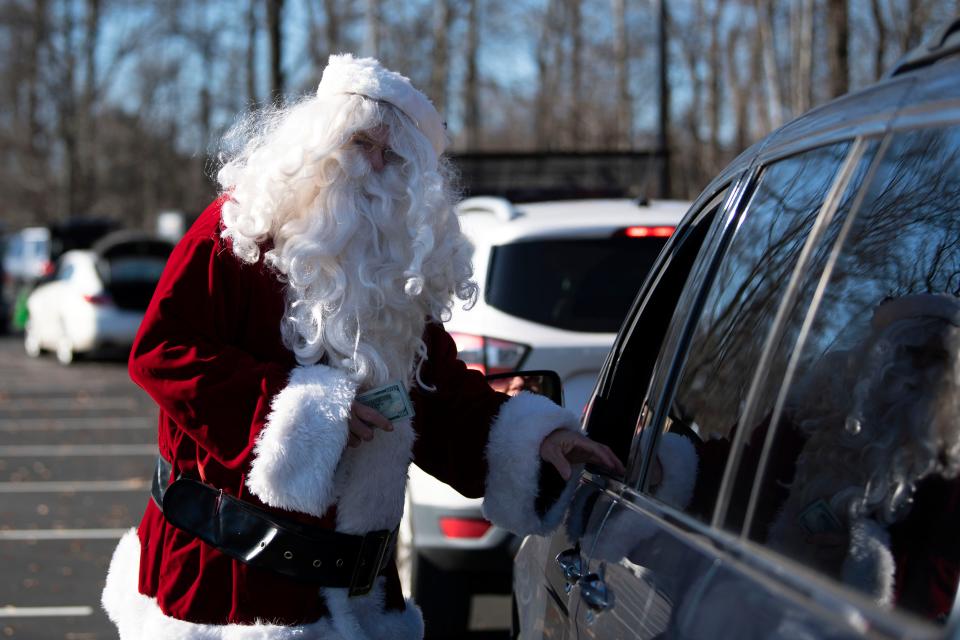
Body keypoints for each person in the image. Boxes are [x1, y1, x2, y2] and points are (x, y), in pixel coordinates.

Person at [100, 53, 623, 639]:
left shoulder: (396, 276)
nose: (373, 167)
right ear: (315, 146)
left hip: (356, 600)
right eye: (358, 144)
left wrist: (534, 438)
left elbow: (438, 396)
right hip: (227, 590)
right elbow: (164, 352)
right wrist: (310, 413)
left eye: (394, 156)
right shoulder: (237, 232)